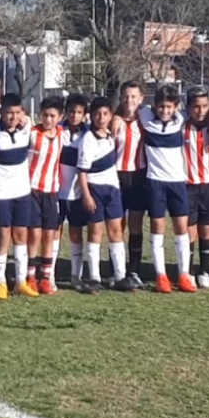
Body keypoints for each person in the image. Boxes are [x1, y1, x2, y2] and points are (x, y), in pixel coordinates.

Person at [141, 86, 195, 293]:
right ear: (155, 106)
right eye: (161, 106)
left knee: (182, 227)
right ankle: (161, 276)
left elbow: (204, 114)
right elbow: (127, 107)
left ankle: (184, 274)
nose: (164, 111)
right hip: (155, 181)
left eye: (168, 107)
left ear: (175, 107)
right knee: (158, 227)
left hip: (177, 182)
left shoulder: (180, 119)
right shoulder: (146, 117)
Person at [0, 93, 34, 300]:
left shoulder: (27, 128)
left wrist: (26, 119)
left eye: (16, 112)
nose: (13, 117)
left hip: (22, 191)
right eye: (8, 113)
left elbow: (31, 122)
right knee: (3, 235)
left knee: (21, 235)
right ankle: (1, 283)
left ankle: (21, 282)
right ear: (1, 111)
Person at [77, 96, 126, 294]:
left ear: (110, 115)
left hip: (112, 190)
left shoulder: (110, 135)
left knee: (116, 231)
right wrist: (86, 195)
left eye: (105, 114)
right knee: (95, 232)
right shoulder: (88, 139)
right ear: (91, 116)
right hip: (95, 189)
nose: (101, 117)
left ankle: (120, 275)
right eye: (97, 114)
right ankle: (95, 276)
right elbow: (82, 171)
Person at [112, 81, 148, 289]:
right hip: (115, 176)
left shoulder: (145, 119)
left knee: (135, 223)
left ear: (141, 99)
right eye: (126, 96)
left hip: (138, 176)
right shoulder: (112, 120)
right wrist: (116, 115)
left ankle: (134, 270)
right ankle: (116, 270)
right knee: (116, 225)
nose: (129, 100)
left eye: (134, 96)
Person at [183, 86, 209, 289]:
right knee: (189, 231)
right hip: (188, 185)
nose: (200, 110)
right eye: (196, 106)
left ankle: (204, 271)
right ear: (188, 107)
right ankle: (187, 271)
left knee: (206, 229)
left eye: (205, 106)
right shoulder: (180, 125)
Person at [27, 96, 63, 295]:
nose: (48, 119)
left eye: (52, 116)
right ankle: (30, 276)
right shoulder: (32, 133)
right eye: (45, 115)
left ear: (59, 117)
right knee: (34, 234)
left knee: (49, 235)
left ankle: (45, 277)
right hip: (32, 190)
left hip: (52, 192)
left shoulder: (62, 134)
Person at [58, 94, 89, 291]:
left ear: (84, 114)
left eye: (79, 112)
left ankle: (75, 275)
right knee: (53, 233)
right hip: (56, 191)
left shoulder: (89, 134)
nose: (75, 116)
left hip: (77, 193)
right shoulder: (57, 130)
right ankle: (48, 276)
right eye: (71, 112)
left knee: (76, 233)